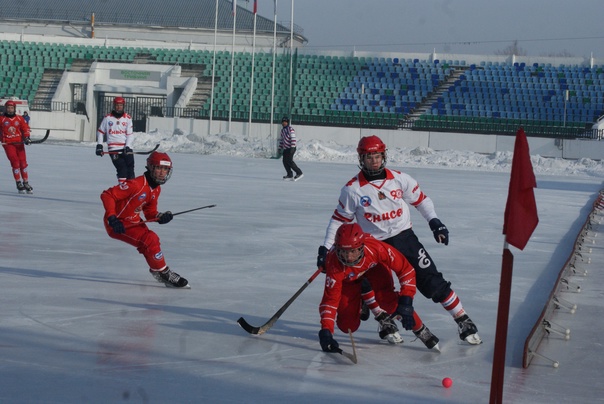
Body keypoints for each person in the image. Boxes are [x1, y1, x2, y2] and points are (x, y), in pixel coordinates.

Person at [317, 135, 481, 345]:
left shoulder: (400, 179)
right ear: (361, 159)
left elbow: (421, 200)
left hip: (404, 238)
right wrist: (325, 248)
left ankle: (462, 319)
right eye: (369, 157)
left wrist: (434, 221)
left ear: (383, 156)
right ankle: (385, 319)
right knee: (380, 289)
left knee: (431, 281)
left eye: (377, 156)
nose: (374, 161)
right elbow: (338, 220)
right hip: (373, 245)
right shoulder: (352, 189)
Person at [318, 223, 440, 353]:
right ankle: (364, 293)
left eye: (353, 251)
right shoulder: (334, 263)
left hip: (374, 269)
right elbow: (330, 301)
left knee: (388, 301)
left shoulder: (376, 248)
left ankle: (421, 330)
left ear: (361, 247)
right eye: (343, 252)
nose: (348, 257)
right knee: (347, 326)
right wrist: (326, 331)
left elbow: (406, 270)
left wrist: (406, 300)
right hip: (350, 281)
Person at [100, 151, 190, 288]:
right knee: (150, 239)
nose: (162, 172)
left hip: (134, 222)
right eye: (159, 168)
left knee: (151, 242)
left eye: (165, 169)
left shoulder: (156, 189)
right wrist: (112, 217)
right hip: (117, 223)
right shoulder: (136, 184)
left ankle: (158, 270)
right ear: (150, 167)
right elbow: (107, 195)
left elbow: (150, 213)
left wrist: (161, 217)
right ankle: (164, 272)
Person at [96, 97, 134, 185]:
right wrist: (99, 146)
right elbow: (101, 132)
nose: (119, 107)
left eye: (120, 105)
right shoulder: (107, 118)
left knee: (130, 171)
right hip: (114, 149)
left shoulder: (128, 118)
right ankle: (122, 191)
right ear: (114, 105)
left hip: (126, 148)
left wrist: (127, 146)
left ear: (123, 106)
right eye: (117, 105)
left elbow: (130, 134)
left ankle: (131, 193)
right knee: (122, 169)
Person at [0, 100, 33, 194]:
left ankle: (26, 182)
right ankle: (18, 183)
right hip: (8, 144)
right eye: (8, 108)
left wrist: (27, 138)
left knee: (23, 163)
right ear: (5, 109)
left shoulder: (19, 118)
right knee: (15, 162)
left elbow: (25, 128)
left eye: (12, 108)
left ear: (14, 109)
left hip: (19, 143)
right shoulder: (2, 119)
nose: (10, 110)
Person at [278, 117, 303, 181]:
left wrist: (292, 147)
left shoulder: (290, 129)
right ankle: (289, 174)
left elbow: (293, 139)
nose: (284, 123)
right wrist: (280, 148)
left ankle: (299, 173)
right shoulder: (282, 130)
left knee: (289, 161)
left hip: (291, 148)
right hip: (286, 148)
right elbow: (281, 140)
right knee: (284, 161)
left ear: (287, 122)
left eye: (285, 122)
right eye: (283, 122)